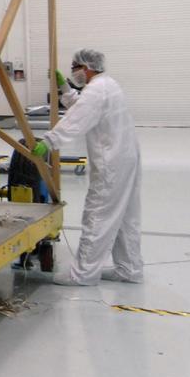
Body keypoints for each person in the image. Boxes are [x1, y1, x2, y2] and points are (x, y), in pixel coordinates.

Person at [32, 48, 143, 286]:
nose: (74, 72)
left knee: (98, 215)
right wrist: (65, 88)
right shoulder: (108, 84)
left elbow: (77, 119)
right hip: (127, 158)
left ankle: (83, 274)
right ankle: (129, 269)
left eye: (75, 68)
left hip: (111, 164)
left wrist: (49, 141)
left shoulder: (96, 90)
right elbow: (84, 106)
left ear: (87, 67)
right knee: (125, 217)